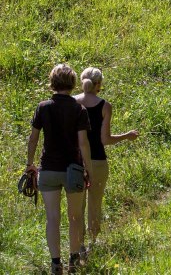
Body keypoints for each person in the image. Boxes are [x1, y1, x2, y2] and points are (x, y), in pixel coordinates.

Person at [26, 64, 93, 274]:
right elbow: (83, 143)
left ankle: (56, 263)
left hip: (48, 170)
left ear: (53, 82)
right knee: (75, 217)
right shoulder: (78, 109)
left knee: (52, 218)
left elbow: (34, 138)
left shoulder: (43, 107)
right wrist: (87, 169)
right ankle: (73, 258)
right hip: (72, 170)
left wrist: (30, 164)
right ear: (73, 84)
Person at [75, 67, 139, 259]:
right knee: (95, 202)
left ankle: (78, 246)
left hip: (76, 161)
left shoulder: (72, 102)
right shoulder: (105, 106)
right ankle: (93, 243)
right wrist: (127, 136)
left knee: (77, 204)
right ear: (99, 84)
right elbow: (105, 140)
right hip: (98, 162)